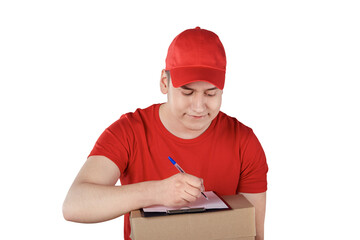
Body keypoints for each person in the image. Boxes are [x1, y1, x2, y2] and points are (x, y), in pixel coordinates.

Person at [63, 26, 268, 240]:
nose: (199, 106)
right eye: (187, 92)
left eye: (210, 93)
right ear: (164, 82)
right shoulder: (129, 131)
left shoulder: (244, 142)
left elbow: (253, 233)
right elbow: (74, 204)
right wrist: (157, 192)